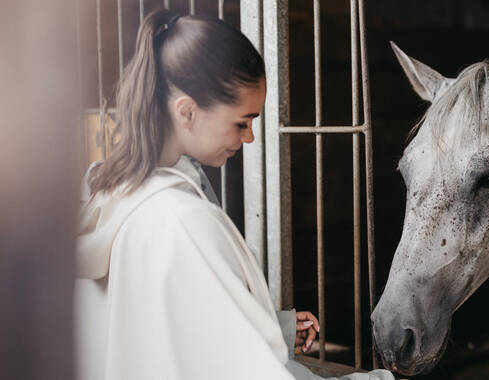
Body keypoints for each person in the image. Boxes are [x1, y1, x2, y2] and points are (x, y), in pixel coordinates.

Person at [73, 9, 393, 380]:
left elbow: (165, 327)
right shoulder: (182, 220)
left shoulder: (107, 192)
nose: (249, 138)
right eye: (241, 122)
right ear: (187, 111)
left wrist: (272, 327)